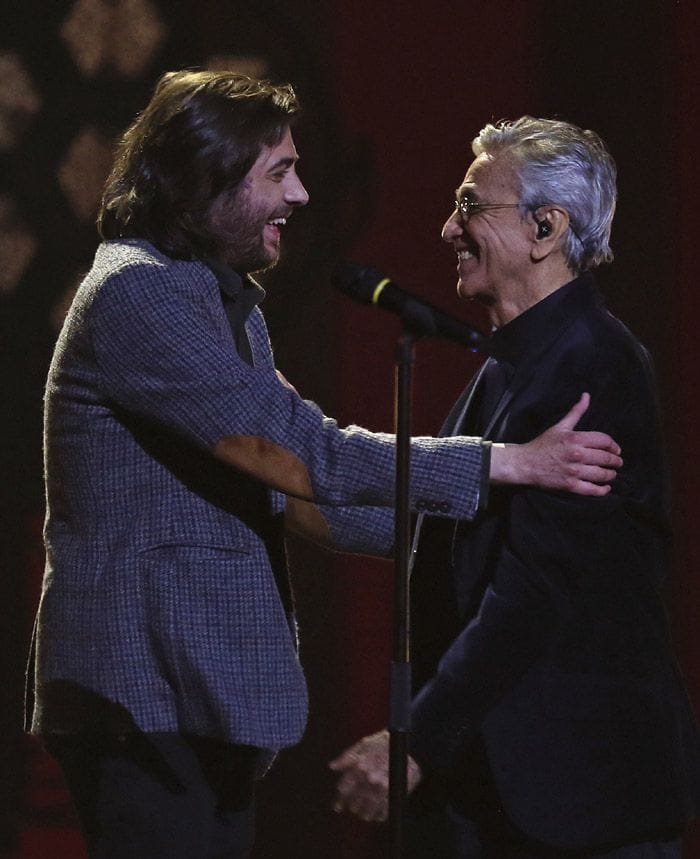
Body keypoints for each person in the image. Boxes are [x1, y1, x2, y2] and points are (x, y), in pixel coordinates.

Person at [27, 74, 622, 859]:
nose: (301, 194)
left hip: (190, 698)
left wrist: (481, 535)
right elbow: (306, 455)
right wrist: (503, 465)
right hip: (146, 693)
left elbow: (304, 499)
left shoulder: (216, 301)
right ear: (204, 177)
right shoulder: (142, 293)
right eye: (278, 171)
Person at [330, 117, 700, 858]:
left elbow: (534, 587)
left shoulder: (594, 362)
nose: (446, 228)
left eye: (469, 205)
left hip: (581, 796)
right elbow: (454, 542)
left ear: (544, 227)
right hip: (499, 790)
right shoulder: (509, 364)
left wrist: (416, 740)